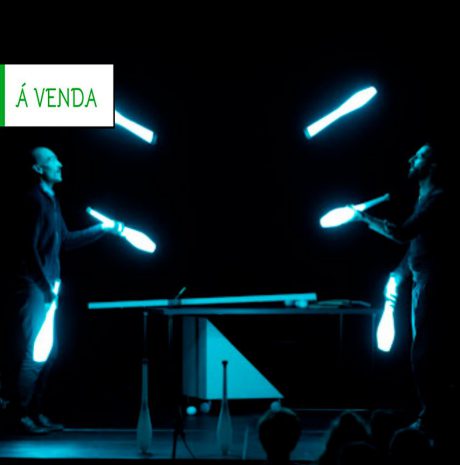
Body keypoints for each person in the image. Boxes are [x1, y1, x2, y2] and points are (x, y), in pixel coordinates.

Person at [0, 147, 123, 435]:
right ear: (38, 169)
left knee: (49, 353)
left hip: (47, 285)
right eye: (51, 160)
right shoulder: (33, 201)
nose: (60, 163)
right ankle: (19, 415)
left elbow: (65, 241)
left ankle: (34, 412)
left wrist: (102, 229)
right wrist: (45, 287)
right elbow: (28, 249)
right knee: (35, 352)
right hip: (34, 287)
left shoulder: (52, 201)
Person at [353, 143, 456, 442]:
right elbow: (416, 243)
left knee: (425, 352)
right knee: (422, 350)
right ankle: (431, 416)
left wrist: (363, 218)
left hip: (436, 283)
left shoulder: (438, 199)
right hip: (423, 281)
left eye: (420, 156)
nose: (411, 159)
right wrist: (399, 273)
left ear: (433, 165)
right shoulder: (425, 196)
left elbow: (402, 233)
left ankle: (432, 420)